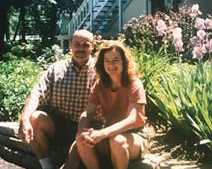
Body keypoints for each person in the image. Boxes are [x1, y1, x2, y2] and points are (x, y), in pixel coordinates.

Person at [18, 29, 102, 169]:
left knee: (72, 162)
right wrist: (24, 118)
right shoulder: (56, 69)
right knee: (34, 118)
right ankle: (47, 166)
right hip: (60, 125)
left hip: (89, 126)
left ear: (92, 46)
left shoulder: (101, 70)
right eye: (77, 44)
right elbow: (36, 93)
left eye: (85, 45)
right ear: (71, 45)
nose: (80, 48)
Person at [69, 40, 149, 169]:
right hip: (110, 134)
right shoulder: (100, 85)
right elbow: (87, 113)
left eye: (115, 60)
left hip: (135, 137)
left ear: (124, 62)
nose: (111, 65)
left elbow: (133, 120)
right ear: (102, 63)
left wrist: (101, 134)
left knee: (117, 141)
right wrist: (82, 132)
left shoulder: (134, 84)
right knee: (82, 140)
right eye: (107, 61)